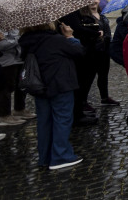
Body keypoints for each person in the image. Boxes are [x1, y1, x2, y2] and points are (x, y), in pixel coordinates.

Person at [19, 21, 85, 168]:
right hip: (60, 84)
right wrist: (70, 36)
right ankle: (61, 156)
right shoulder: (55, 40)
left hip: (39, 86)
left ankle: (45, 157)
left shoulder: (26, 41)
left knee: (44, 122)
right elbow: (78, 51)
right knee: (62, 119)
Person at [0, 29, 35, 127]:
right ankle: (4, 114)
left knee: (21, 85)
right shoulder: (1, 27)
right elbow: (1, 45)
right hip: (6, 61)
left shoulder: (15, 26)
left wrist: (14, 40)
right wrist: (18, 39)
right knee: (6, 87)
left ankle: (19, 109)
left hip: (19, 58)